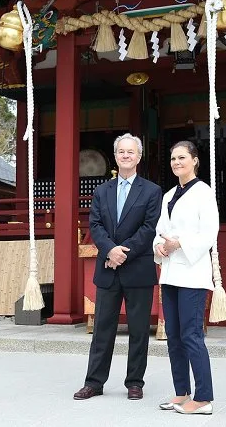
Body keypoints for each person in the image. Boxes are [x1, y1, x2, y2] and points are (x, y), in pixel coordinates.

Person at [74, 133, 162, 401]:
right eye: (121, 151)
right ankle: (94, 382)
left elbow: (149, 228)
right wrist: (110, 250)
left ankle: (134, 382)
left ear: (139, 156)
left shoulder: (151, 190)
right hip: (108, 268)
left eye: (131, 152)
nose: (126, 155)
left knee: (138, 330)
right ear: (116, 156)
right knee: (102, 329)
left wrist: (122, 253)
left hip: (137, 268)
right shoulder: (102, 191)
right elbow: (96, 225)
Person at [153, 140, 219, 415]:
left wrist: (179, 244)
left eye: (182, 157)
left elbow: (209, 232)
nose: (176, 163)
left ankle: (204, 398)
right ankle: (182, 391)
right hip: (170, 272)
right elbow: (161, 229)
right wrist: (159, 245)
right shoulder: (169, 195)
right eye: (173, 159)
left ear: (194, 160)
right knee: (173, 335)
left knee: (191, 335)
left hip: (192, 273)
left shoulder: (204, 193)